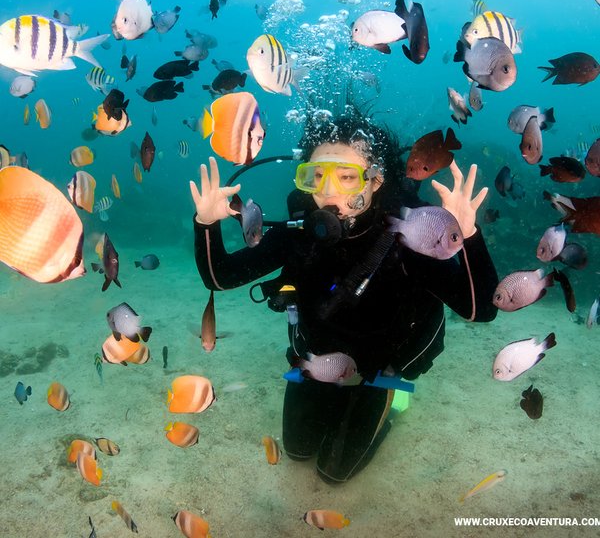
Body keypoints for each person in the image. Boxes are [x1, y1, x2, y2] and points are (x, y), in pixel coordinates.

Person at [190, 107, 498, 484]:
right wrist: (205, 222)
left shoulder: (409, 235)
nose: (327, 191)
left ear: (376, 180)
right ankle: (339, 397)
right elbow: (220, 277)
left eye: (347, 177)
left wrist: (468, 235)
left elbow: (481, 309)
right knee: (297, 449)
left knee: (333, 473)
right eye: (315, 176)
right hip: (318, 355)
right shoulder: (300, 228)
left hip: (380, 365)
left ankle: (388, 401)